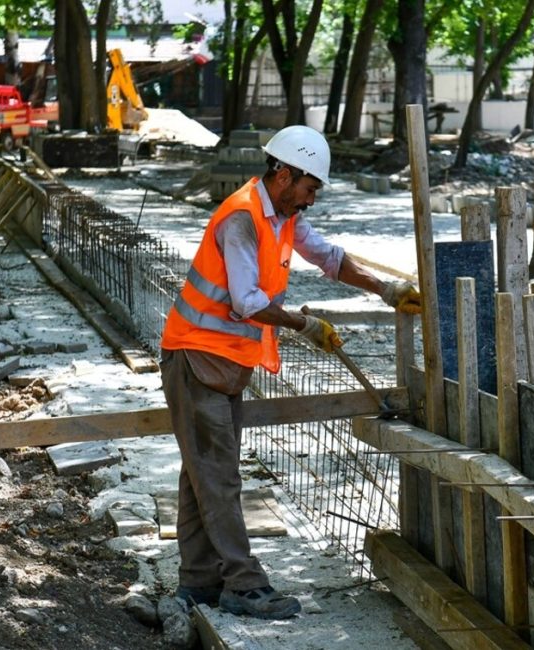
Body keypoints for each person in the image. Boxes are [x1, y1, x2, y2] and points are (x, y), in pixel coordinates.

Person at [159, 125, 421, 619]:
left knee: (203, 476)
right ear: (284, 175)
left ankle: (196, 584)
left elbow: (329, 257)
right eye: (309, 188)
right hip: (196, 358)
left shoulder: (282, 215)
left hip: (221, 362)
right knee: (218, 478)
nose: (312, 200)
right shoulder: (242, 217)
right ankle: (243, 584)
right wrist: (305, 324)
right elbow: (247, 301)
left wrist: (384, 290)